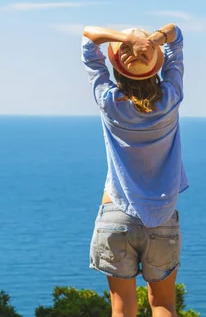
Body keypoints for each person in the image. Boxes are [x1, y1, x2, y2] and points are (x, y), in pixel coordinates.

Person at [81, 22, 189, 317]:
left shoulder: (109, 102)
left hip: (115, 213)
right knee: (163, 304)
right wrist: (151, 42)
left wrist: (125, 39)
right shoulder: (171, 97)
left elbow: (89, 40)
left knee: (122, 307)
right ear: (156, 67)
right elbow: (176, 36)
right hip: (162, 217)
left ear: (117, 69)